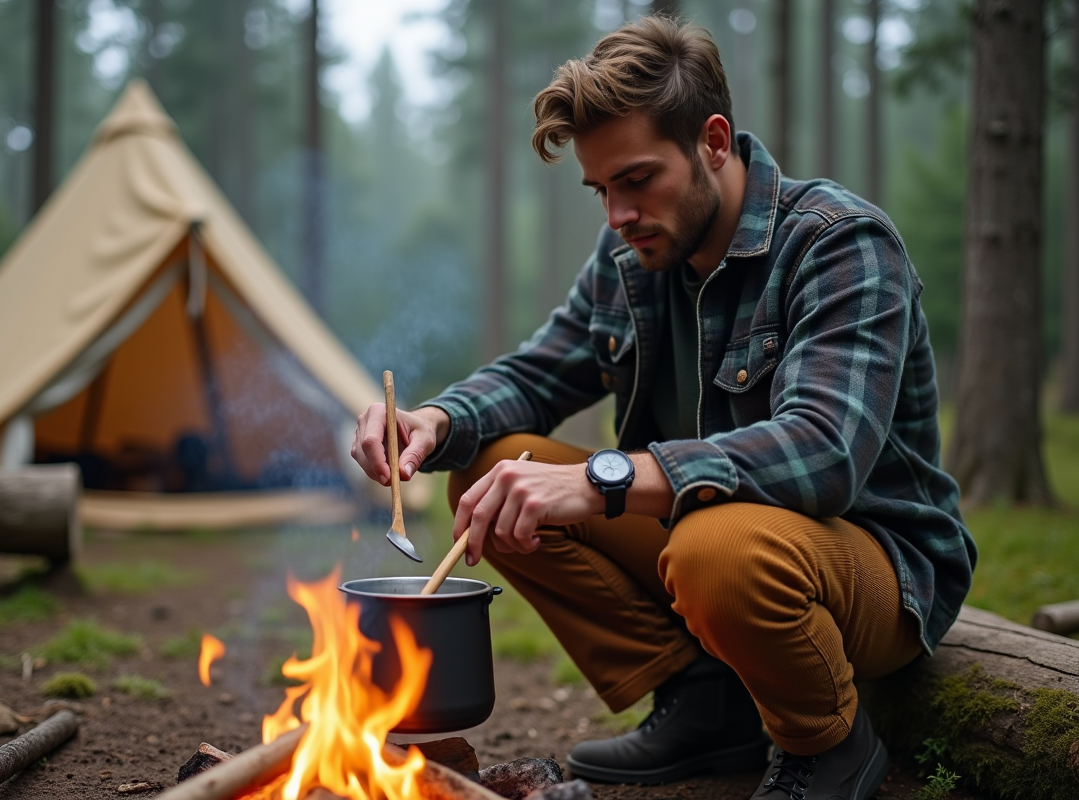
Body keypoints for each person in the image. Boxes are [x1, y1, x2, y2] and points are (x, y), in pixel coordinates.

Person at [351, 16, 975, 800]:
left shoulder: (839, 244)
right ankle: (706, 704)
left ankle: (827, 746)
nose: (617, 214)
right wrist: (435, 422)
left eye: (638, 179)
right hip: (713, 541)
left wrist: (605, 479)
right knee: (491, 471)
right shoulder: (631, 255)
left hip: (873, 565)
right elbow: (541, 372)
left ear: (713, 141)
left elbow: (824, 454)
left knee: (716, 549)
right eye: (601, 190)